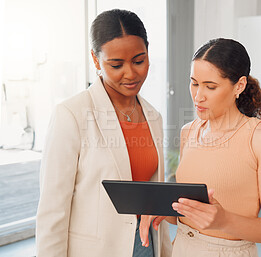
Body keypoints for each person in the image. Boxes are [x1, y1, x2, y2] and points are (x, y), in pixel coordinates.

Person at [36, 9, 172, 257]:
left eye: (139, 61)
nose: (130, 74)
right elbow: (52, 209)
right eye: (116, 65)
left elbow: (153, 191)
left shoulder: (153, 116)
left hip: (146, 246)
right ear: (96, 60)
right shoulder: (72, 114)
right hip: (97, 249)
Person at [140, 38, 261, 257]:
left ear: (239, 85)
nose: (198, 96)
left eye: (210, 86)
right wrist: (157, 208)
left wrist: (224, 220)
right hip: (182, 247)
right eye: (194, 83)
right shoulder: (188, 132)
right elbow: (192, 212)